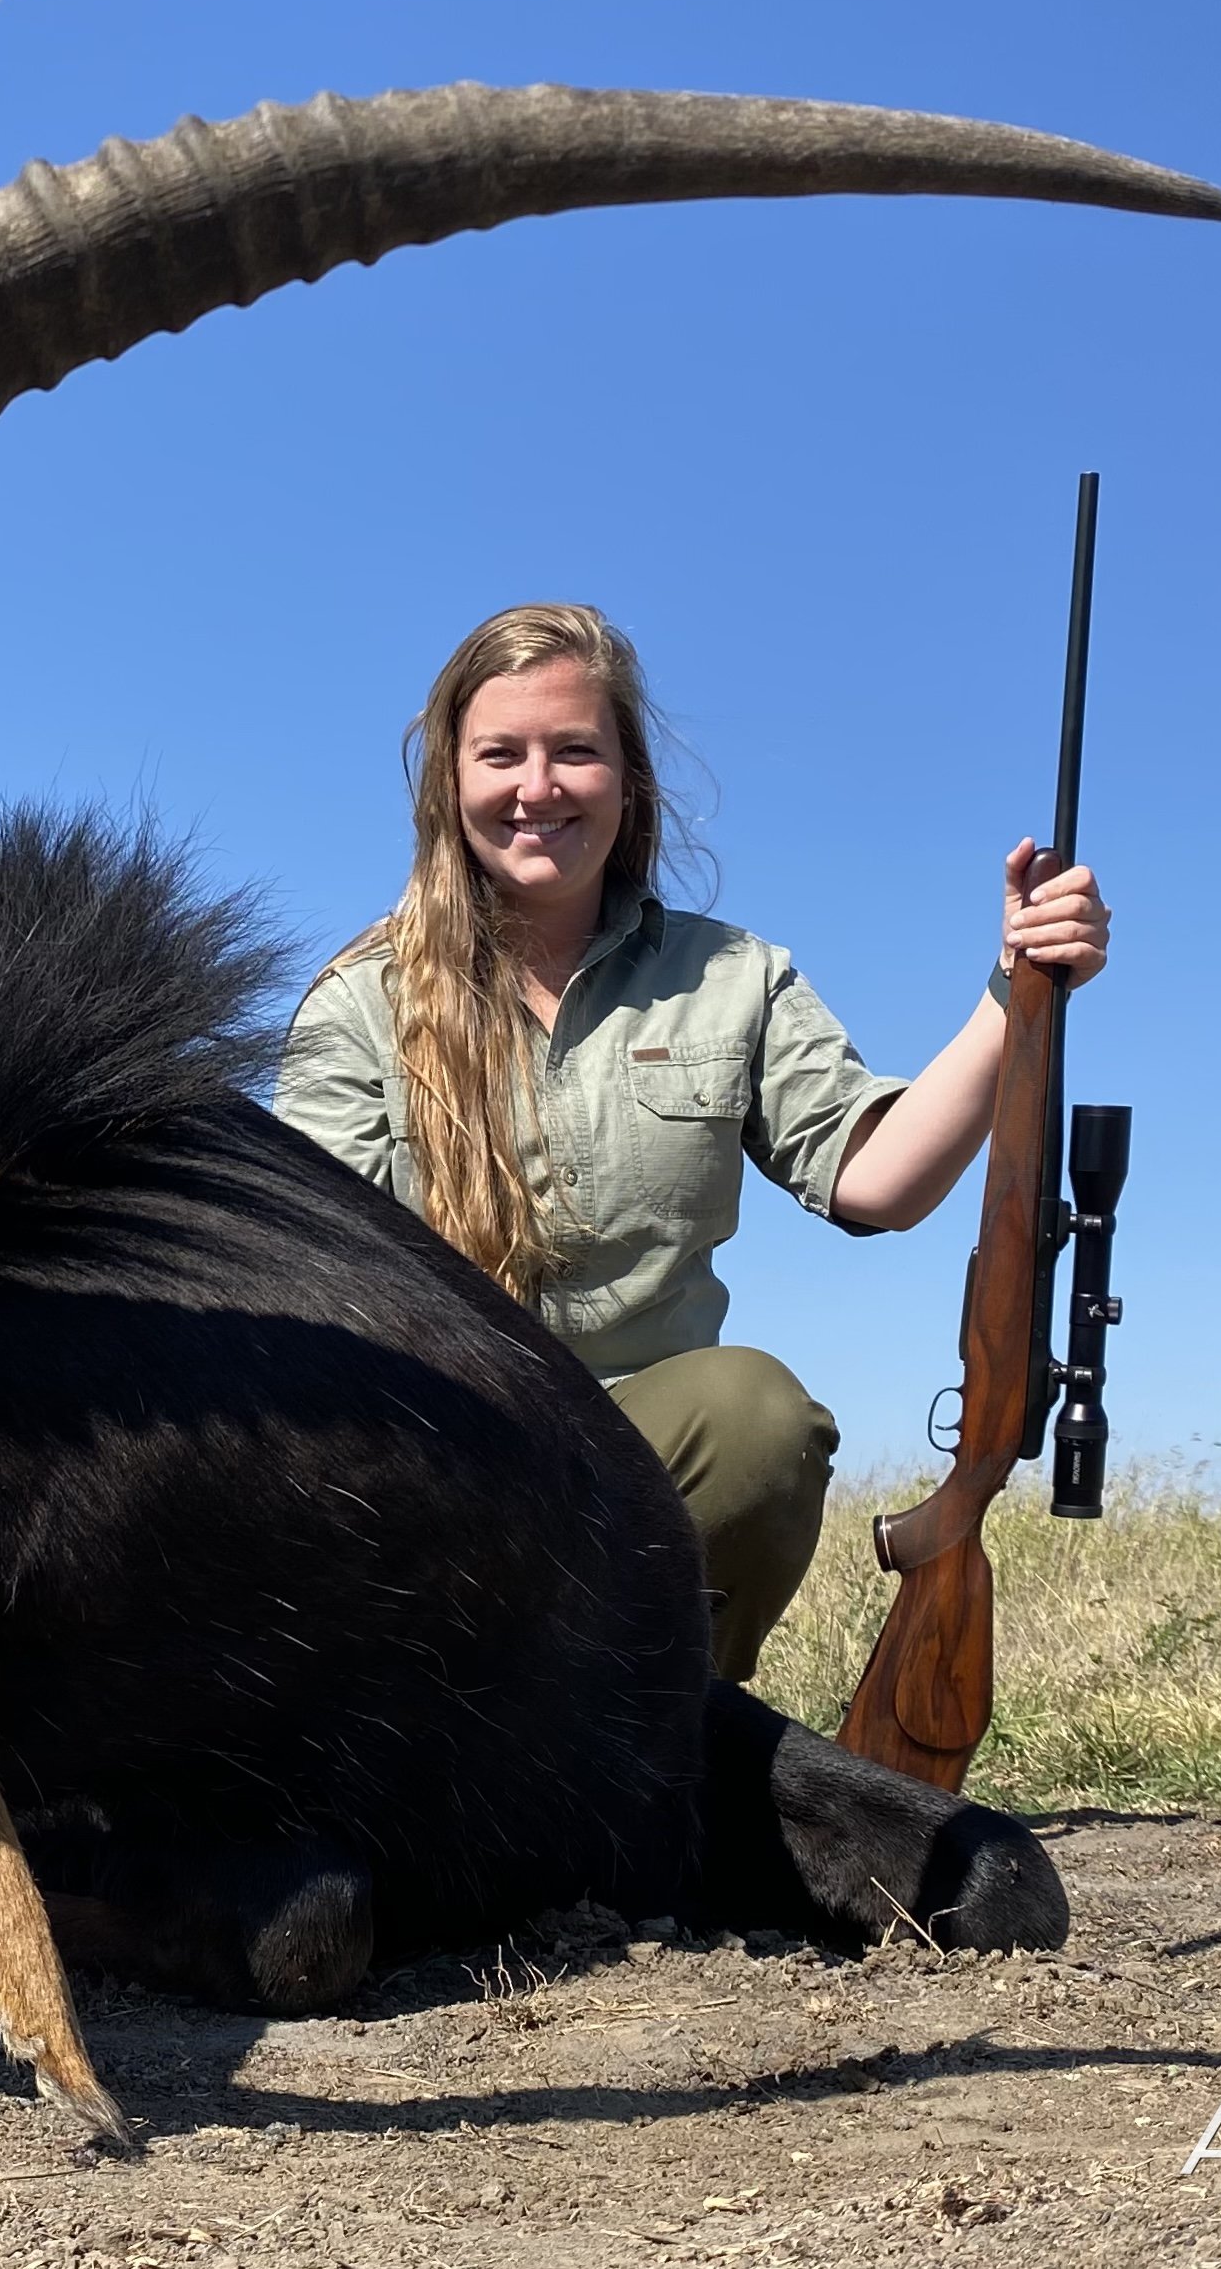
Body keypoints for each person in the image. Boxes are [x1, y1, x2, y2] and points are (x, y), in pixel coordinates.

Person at [273, 603, 1112, 1680]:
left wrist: (1019, 986)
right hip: (429, 1456)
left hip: (642, 1460)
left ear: (628, 785)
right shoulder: (355, 1006)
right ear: (449, 783)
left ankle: (662, 1742)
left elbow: (878, 1180)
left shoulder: (734, 978)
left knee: (756, 1415)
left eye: (576, 750)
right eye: (501, 755)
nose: (538, 787)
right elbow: (313, 1299)